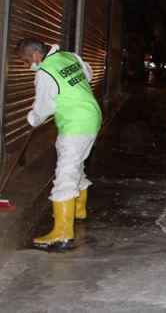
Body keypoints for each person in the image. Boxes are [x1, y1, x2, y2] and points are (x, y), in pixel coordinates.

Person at [17, 38, 102, 249]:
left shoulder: (45, 72)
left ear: (36, 55)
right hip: (91, 114)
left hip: (76, 123)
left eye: (26, 61)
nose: (27, 66)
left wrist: (32, 119)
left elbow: (44, 105)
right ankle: (78, 211)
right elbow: (88, 74)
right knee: (76, 165)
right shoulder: (68, 56)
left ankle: (62, 232)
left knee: (65, 172)